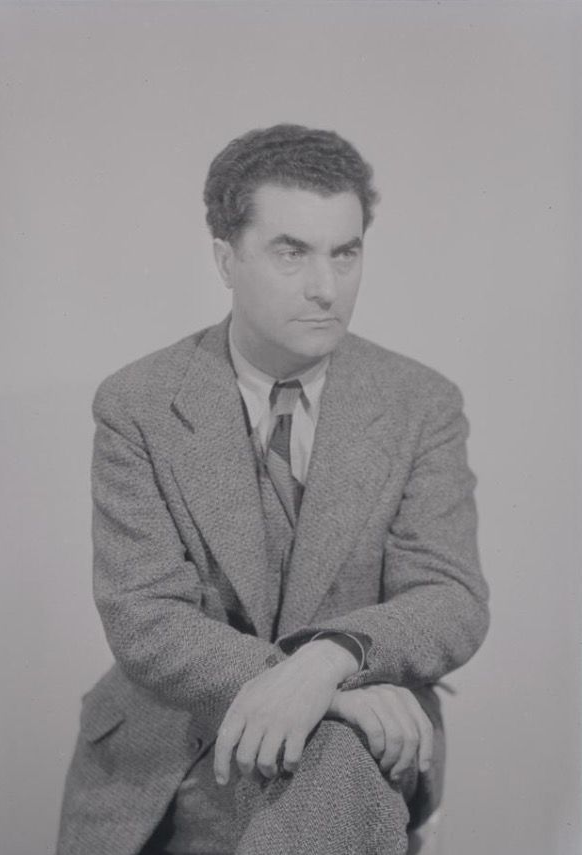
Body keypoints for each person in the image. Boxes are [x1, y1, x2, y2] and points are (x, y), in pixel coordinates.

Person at [57, 124, 489, 855]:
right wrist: (314, 691)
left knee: (337, 776)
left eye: (345, 252)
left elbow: (449, 597)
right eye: (291, 252)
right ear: (226, 259)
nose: (326, 288)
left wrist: (329, 661)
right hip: (169, 760)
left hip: (356, 755)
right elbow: (144, 617)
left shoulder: (421, 402)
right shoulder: (139, 402)